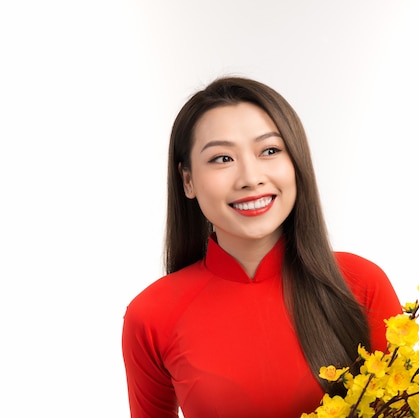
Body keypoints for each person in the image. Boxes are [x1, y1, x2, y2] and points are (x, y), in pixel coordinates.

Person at [121, 76, 402, 418]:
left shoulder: (360, 284)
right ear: (188, 180)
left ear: (296, 162)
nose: (250, 178)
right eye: (222, 158)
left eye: (270, 151)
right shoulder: (151, 315)